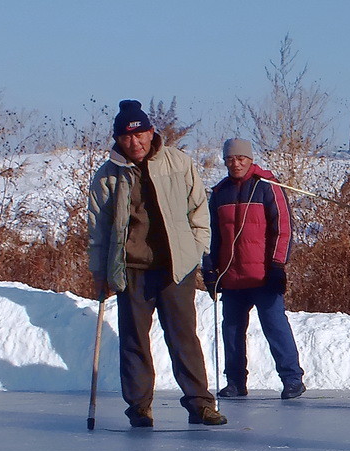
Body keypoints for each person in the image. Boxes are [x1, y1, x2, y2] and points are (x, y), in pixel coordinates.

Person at [87, 100, 227, 427]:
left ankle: (200, 404)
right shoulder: (108, 175)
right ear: (118, 139)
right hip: (130, 268)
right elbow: (98, 229)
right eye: (126, 137)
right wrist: (100, 272)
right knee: (134, 341)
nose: (134, 143)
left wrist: (195, 251)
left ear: (151, 133)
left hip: (175, 267)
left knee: (183, 337)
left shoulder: (178, 163)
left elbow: (198, 212)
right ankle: (139, 407)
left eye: (140, 135)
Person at [203, 138, 306, 400]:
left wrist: (278, 265)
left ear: (250, 159)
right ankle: (235, 381)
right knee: (231, 331)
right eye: (230, 159)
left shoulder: (267, 186)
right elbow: (212, 235)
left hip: (263, 276)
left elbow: (283, 228)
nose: (235, 164)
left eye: (240, 158)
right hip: (232, 276)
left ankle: (292, 379)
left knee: (275, 326)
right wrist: (211, 268)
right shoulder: (220, 193)